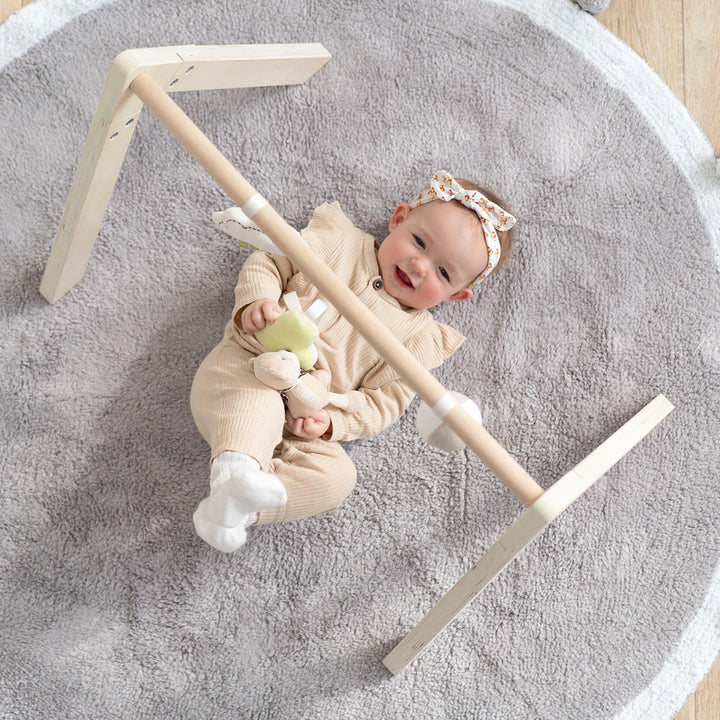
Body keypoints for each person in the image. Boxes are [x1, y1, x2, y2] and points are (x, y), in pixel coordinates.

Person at [190, 172, 516, 552]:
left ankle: (239, 508)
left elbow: (384, 404)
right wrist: (257, 302)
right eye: (419, 242)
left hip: (300, 422)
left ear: (456, 295)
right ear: (398, 219)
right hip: (245, 372)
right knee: (259, 403)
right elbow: (271, 259)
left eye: (442, 272)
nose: (419, 266)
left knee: (339, 477)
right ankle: (235, 476)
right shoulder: (338, 244)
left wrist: (332, 422)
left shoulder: (416, 339)